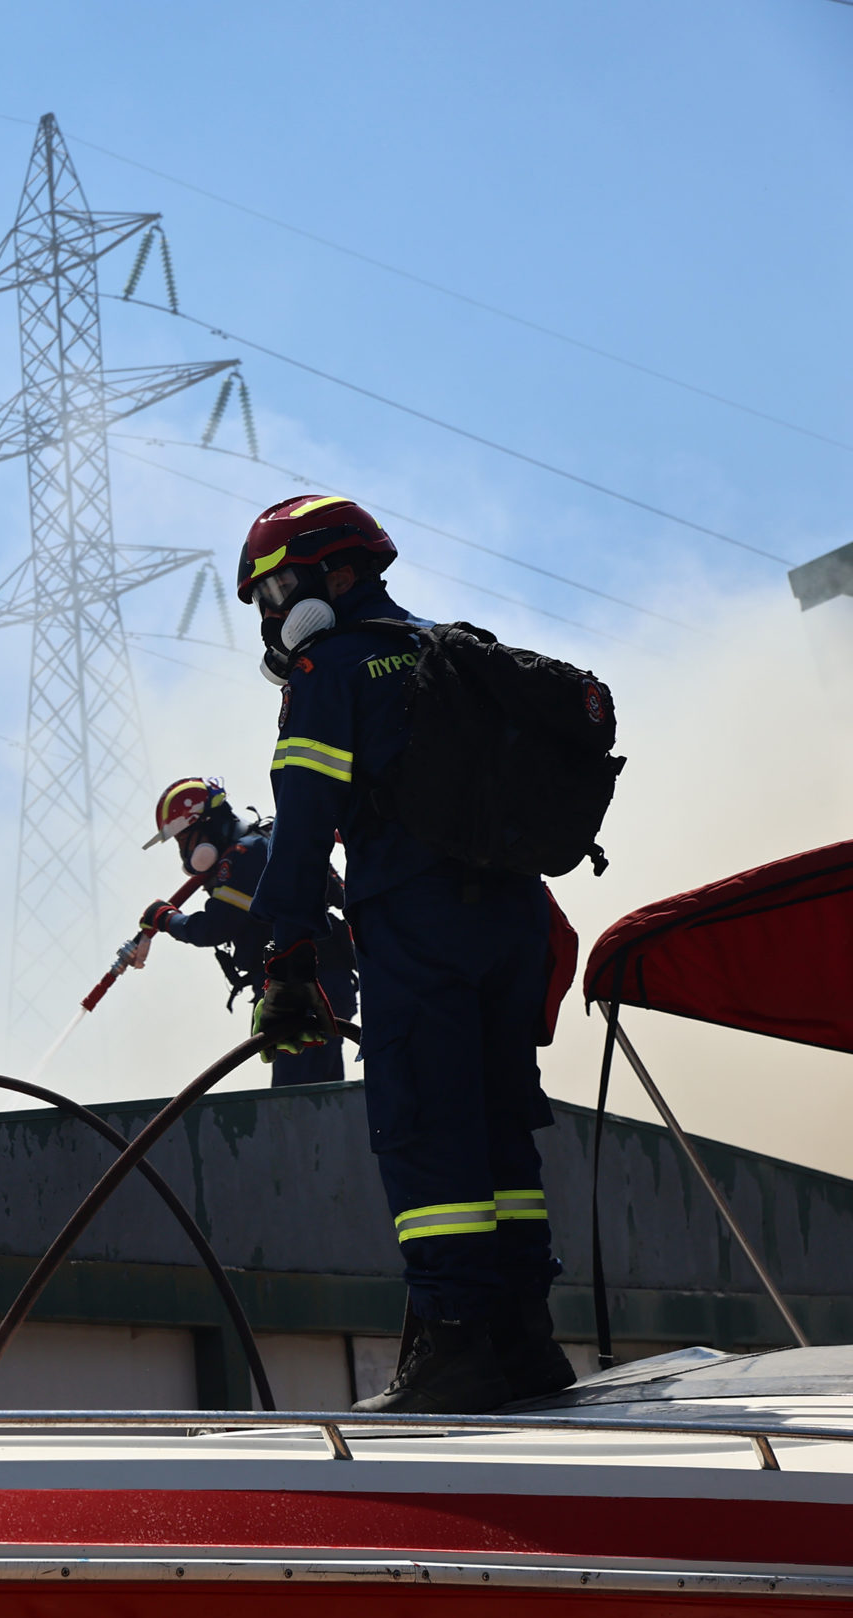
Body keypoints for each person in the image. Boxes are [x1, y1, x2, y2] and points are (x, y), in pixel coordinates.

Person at [236, 494, 571, 1413]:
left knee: (427, 1129)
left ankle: (454, 1347)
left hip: (418, 927)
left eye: (273, 592)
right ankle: (524, 1339)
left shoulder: (331, 666)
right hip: (512, 925)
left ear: (323, 574)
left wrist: (289, 958)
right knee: (504, 1126)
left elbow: (303, 827)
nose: (271, 618)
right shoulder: (458, 647)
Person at [138, 777, 358, 1086]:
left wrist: (165, 918)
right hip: (323, 981)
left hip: (300, 988)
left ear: (204, 825)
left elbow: (210, 929)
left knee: (297, 1099)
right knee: (322, 1093)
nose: (184, 852)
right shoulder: (269, 844)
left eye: (182, 840)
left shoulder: (243, 856)